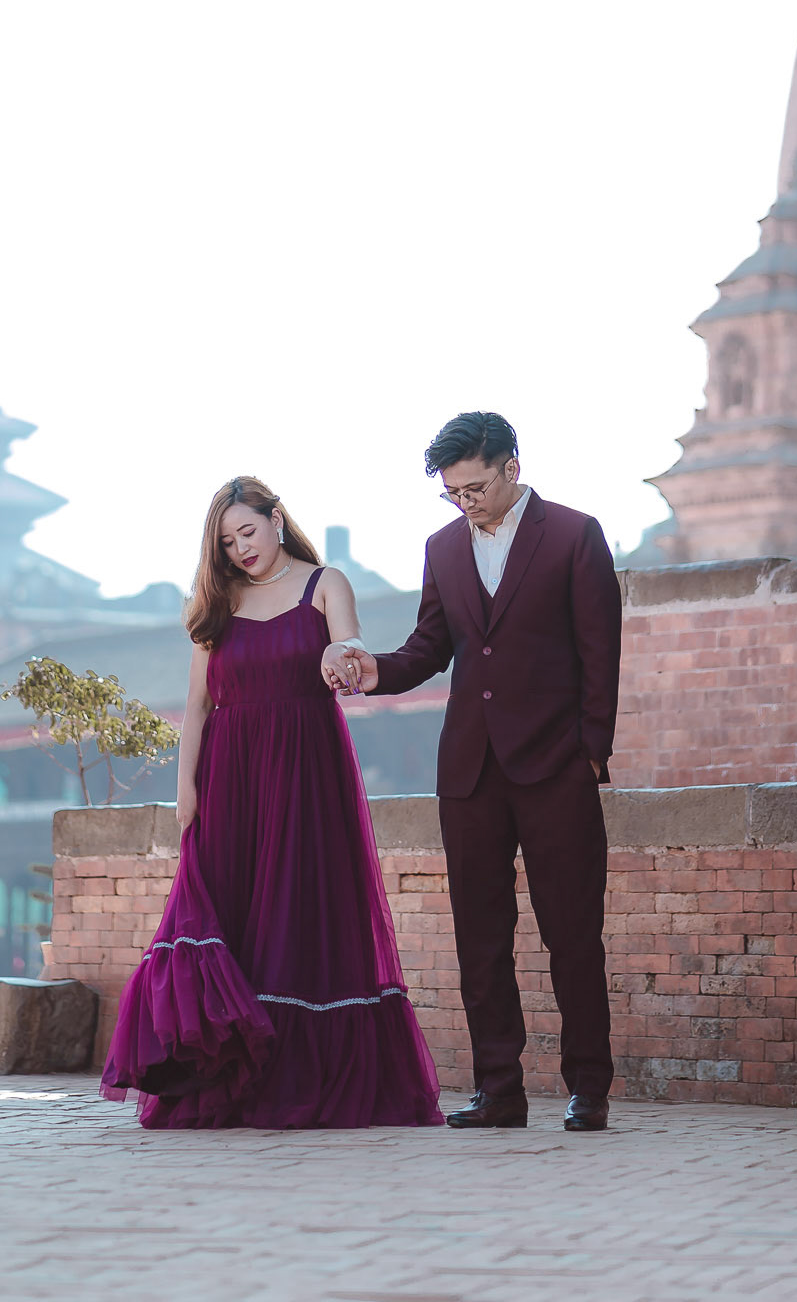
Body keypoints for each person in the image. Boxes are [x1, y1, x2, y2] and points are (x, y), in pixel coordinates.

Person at [101, 476, 441, 1131]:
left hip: (308, 773)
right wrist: (186, 791)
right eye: (227, 542)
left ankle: (299, 1076)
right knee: (221, 916)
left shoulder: (325, 584)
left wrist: (341, 655)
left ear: (276, 518)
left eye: (248, 531)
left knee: (300, 914)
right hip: (228, 777)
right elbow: (197, 706)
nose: (241, 549)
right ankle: (224, 1077)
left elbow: (350, 646)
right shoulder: (216, 604)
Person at [322, 412, 621, 1133]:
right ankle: (498, 1090)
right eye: (451, 493)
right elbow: (431, 646)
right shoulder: (443, 547)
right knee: (479, 938)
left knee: (571, 933)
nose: (464, 503)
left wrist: (590, 753)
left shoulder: (575, 535)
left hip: (555, 767)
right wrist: (373, 670)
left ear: (511, 466)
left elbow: (600, 652)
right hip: (469, 771)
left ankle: (588, 1087)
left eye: (475, 488)